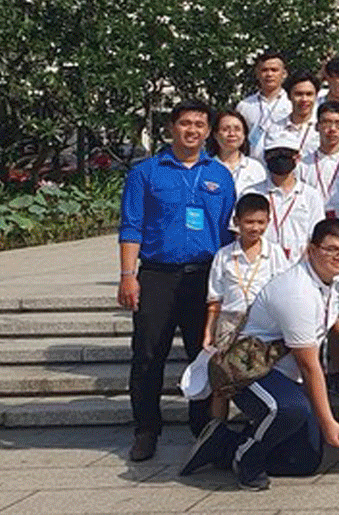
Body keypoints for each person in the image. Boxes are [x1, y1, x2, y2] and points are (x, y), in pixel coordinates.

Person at [181, 219, 339, 489]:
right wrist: (328, 421)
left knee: (304, 461)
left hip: (285, 377)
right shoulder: (297, 291)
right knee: (288, 409)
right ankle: (246, 460)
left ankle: (223, 444)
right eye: (331, 249)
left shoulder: (338, 282)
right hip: (250, 372)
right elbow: (309, 367)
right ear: (311, 249)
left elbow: (337, 320)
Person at [119, 100, 236, 461]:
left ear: (208, 131)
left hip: (204, 275)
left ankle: (201, 425)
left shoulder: (219, 175)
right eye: (185, 123)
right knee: (148, 353)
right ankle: (146, 429)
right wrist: (127, 276)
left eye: (200, 124)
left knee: (204, 354)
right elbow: (131, 225)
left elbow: (227, 232)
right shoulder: (146, 173)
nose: (192, 130)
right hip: (157, 274)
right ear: (172, 128)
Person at [202, 193, 283, 423]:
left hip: (264, 325)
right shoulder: (224, 256)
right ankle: (217, 431)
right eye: (249, 222)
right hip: (230, 324)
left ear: (268, 222)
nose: (255, 228)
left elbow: (283, 292)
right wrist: (209, 330)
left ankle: (258, 425)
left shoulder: (275, 254)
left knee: (259, 376)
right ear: (237, 222)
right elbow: (215, 298)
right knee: (222, 382)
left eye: (261, 222)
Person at [255, 131, 328, 264]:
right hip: (261, 267)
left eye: (286, 154)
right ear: (265, 157)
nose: (280, 158)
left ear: (298, 157)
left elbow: (316, 236)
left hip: (300, 266)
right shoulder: (252, 193)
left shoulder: (311, 195)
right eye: (275, 154)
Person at [300, 101, 339, 224]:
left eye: (338, 124)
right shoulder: (303, 164)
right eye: (327, 123)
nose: (332, 129)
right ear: (317, 126)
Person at [236, 52, 290, 149]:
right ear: (257, 74)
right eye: (264, 70)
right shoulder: (244, 106)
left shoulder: (291, 103)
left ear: (284, 74)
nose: (269, 74)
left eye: (274, 70)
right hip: (251, 161)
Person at [260, 72, 321, 156]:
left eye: (309, 94)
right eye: (299, 94)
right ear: (289, 96)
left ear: (316, 96)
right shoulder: (275, 128)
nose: (304, 99)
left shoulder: (322, 128)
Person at [208, 109, 266, 195]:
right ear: (215, 135)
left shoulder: (255, 168)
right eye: (225, 129)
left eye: (237, 129)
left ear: (244, 135)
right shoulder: (207, 167)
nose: (232, 133)